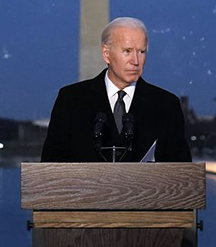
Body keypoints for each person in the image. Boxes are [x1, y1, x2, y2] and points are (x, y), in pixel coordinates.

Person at [41, 17, 191, 162]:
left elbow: (183, 175)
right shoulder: (70, 100)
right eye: (127, 51)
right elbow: (50, 168)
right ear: (106, 53)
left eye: (141, 52)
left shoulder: (166, 105)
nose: (135, 61)